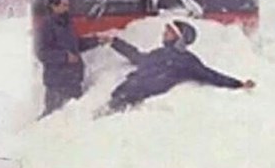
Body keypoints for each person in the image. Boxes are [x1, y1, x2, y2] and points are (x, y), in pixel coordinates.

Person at [99, 20, 255, 114]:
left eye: (169, 32)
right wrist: (115, 42)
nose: (164, 33)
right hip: (124, 92)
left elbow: (210, 75)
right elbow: (138, 57)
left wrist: (238, 84)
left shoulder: (186, 61)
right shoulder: (159, 53)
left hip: (136, 98)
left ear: (179, 38)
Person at [35, 0, 101, 117]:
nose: (67, 8)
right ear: (54, 6)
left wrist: (97, 41)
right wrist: (64, 57)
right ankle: (34, 134)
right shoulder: (46, 26)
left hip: (73, 80)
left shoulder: (67, 24)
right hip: (57, 82)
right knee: (52, 117)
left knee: (73, 115)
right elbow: (41, 53)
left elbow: (77, 45)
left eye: (68, 5)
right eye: (64, 5)